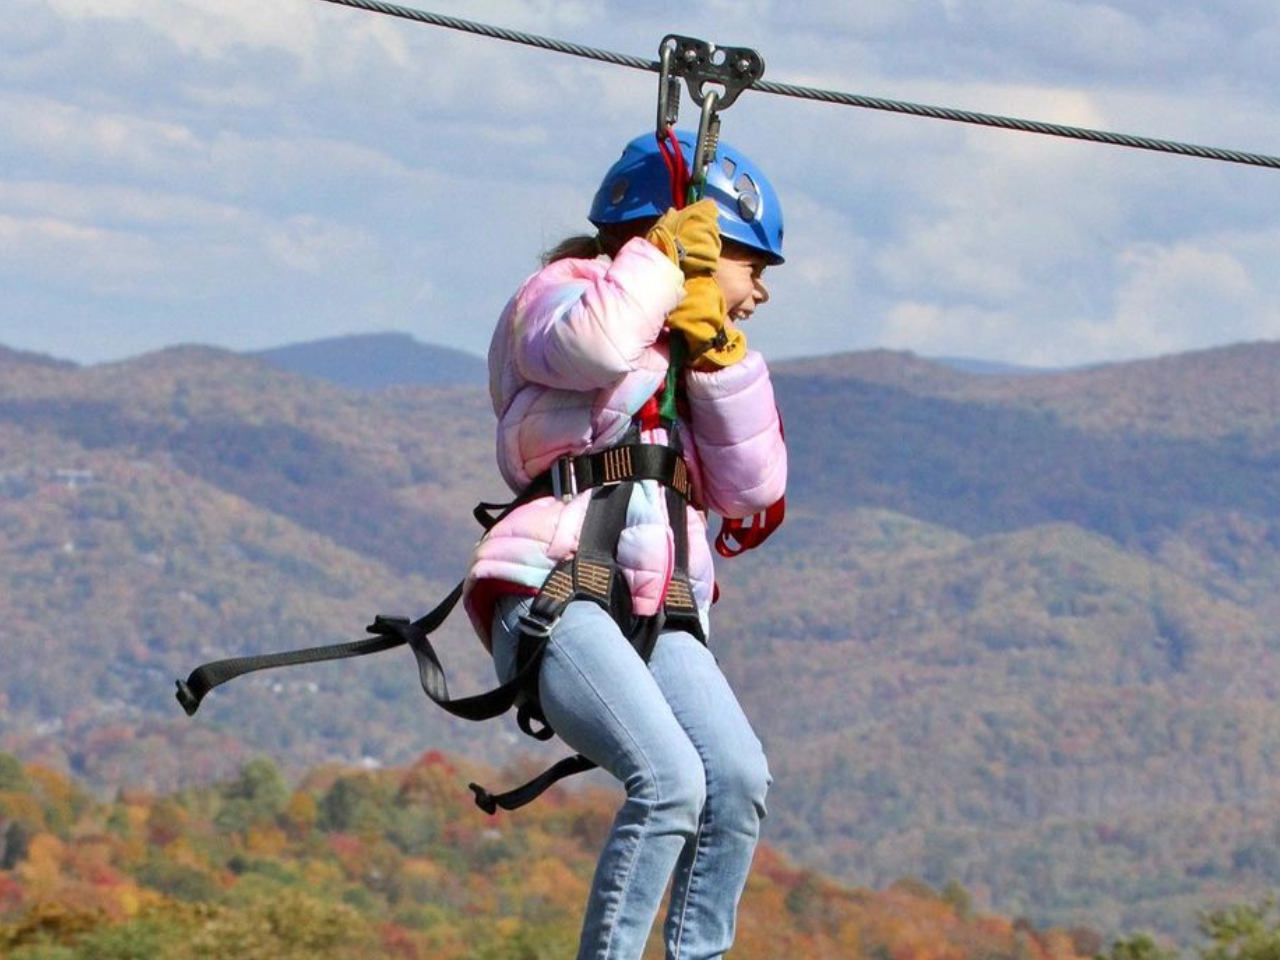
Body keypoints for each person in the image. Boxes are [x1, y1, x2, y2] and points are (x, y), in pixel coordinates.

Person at [462, 130, 787, 960]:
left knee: (736, 779)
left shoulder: (687, 345)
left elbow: (751, 489)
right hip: (553, 584)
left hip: (655, 603)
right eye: (753, 268)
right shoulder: (558, 296)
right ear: (699, 248)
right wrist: (657, 263)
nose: (760, 295)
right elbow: (595, 347)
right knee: (671, 783)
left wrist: (717, 359)